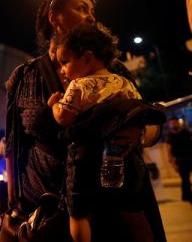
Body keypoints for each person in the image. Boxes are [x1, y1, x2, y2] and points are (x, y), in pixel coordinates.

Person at [4, 0, 166, 242]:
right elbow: (13, 145)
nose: (91, 16)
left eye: (92, 10)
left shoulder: (115, 71)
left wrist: (139, 133)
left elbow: (150, 123)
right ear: (54, 17)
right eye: (81, 8)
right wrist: (12, 205)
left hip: (112, 205)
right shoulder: (25, 77)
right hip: (47, 210)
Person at [47, 24, 148, 242]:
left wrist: (54, 104)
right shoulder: (125, 82)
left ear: (87, 58)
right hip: (125, 158)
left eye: (65, 62)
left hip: (87, 160)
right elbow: (140, 111)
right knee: (133, 211)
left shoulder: (79, 85)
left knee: (79, 213)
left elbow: (64, 118)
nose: (62, 70)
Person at [165, 117, 192, 202]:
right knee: (185, 179)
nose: (173, 124)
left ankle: (187, 196)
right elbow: (169, 151)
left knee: (186, 179)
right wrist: (173, 164)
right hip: (180, 160)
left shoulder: (186, 132)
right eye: (171, 123)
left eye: (174, 122)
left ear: (178, 122)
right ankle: (186, 197)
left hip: (190, 158)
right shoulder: (170, 136)